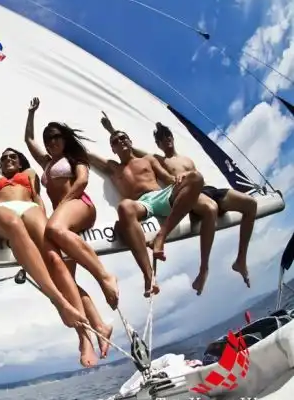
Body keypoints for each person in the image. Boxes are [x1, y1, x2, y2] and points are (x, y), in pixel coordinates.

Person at [0, 126, 107, 367]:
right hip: (3, 212)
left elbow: (39, 199)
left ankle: (87, 336)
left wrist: (47, 221)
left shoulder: (29, 173)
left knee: (55, 261)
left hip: (30, 209)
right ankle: (63, 304)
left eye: (13, 156)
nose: (8, 160)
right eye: (4, 158)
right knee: (15, 227)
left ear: (20, 162)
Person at [100, 113, 257, 295]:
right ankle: (203, 269)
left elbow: (127, 145)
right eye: (161, 139)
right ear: (157, 144)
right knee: (210, 209)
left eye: (167, 136)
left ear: (172, 137)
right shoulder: (157, 158)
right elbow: (128, 149)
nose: (166, 140)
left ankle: (241, 260)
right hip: (189, 194)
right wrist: (111, 130)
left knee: (251, 204)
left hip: (207, 188)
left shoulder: (186, 159)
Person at [24, 97, 118, 365]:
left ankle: (104, 276)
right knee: (65, 284)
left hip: (79, 206)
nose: (51, 142)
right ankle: (95, 329)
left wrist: (62, 206)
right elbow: (28, 139)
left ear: (65, 139)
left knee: (53, 228)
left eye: (56, 137)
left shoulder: (75, 157)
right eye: (48, 139)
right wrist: (31, 114)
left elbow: (82, 181)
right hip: (61, 221)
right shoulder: (46, 163)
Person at [87, 118, 204, 297]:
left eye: (123, 138)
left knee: (196, 177)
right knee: (124, 206)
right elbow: (86, 154)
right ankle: (149, 277)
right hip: (141, 204)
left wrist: (183, 178)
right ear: (113, 149)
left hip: (161, 196)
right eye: (115, 141)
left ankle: (161, 237)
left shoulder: (148, 159)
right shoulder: (113, 168)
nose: (120, 141)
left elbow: (167, 178)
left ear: (130, 141)